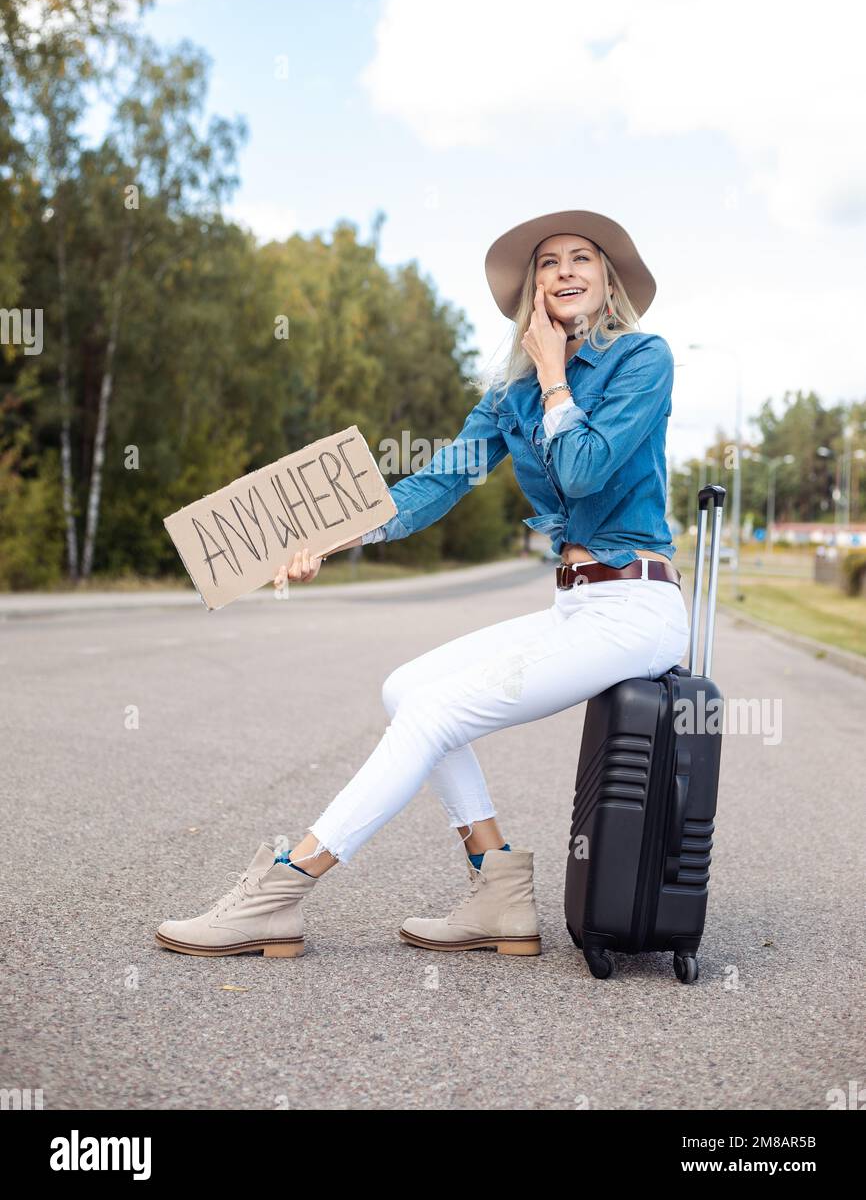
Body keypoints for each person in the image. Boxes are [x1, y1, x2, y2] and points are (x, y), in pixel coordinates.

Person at [155, 209, 691, 960]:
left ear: (608, 284)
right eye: (548, 263)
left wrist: (551, 373)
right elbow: (432, 488)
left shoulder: (644, 359)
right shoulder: (507, 399)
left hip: (637, 607)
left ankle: (280, 892)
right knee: (407, 688)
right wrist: (327, 538)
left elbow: (582, 471)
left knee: (436, 712)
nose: (564, 272)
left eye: (582, 259)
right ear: (530, 290)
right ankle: (500, 889)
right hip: (575, 606)